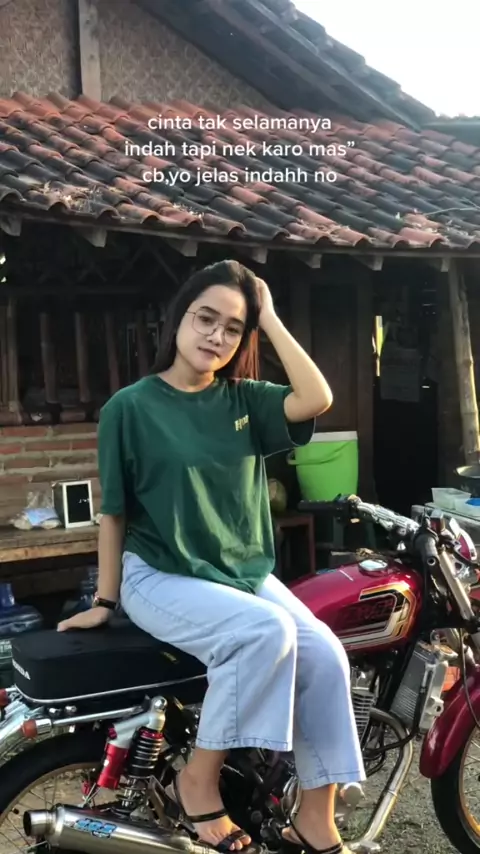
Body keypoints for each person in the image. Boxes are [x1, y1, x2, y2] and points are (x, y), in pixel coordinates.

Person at [58, 260, 364, 854]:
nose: (216, 336)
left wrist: (268, 316)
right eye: (205, 319)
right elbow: (113, 513)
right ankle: (198, 779)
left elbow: (317, 397)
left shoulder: (244, 400)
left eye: (232, 328)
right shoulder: (130, 407)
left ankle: (315, 817)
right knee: (265, 631)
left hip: (238, 573)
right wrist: (105, 600)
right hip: (158, 573)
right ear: (178, 319)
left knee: (326, 654)